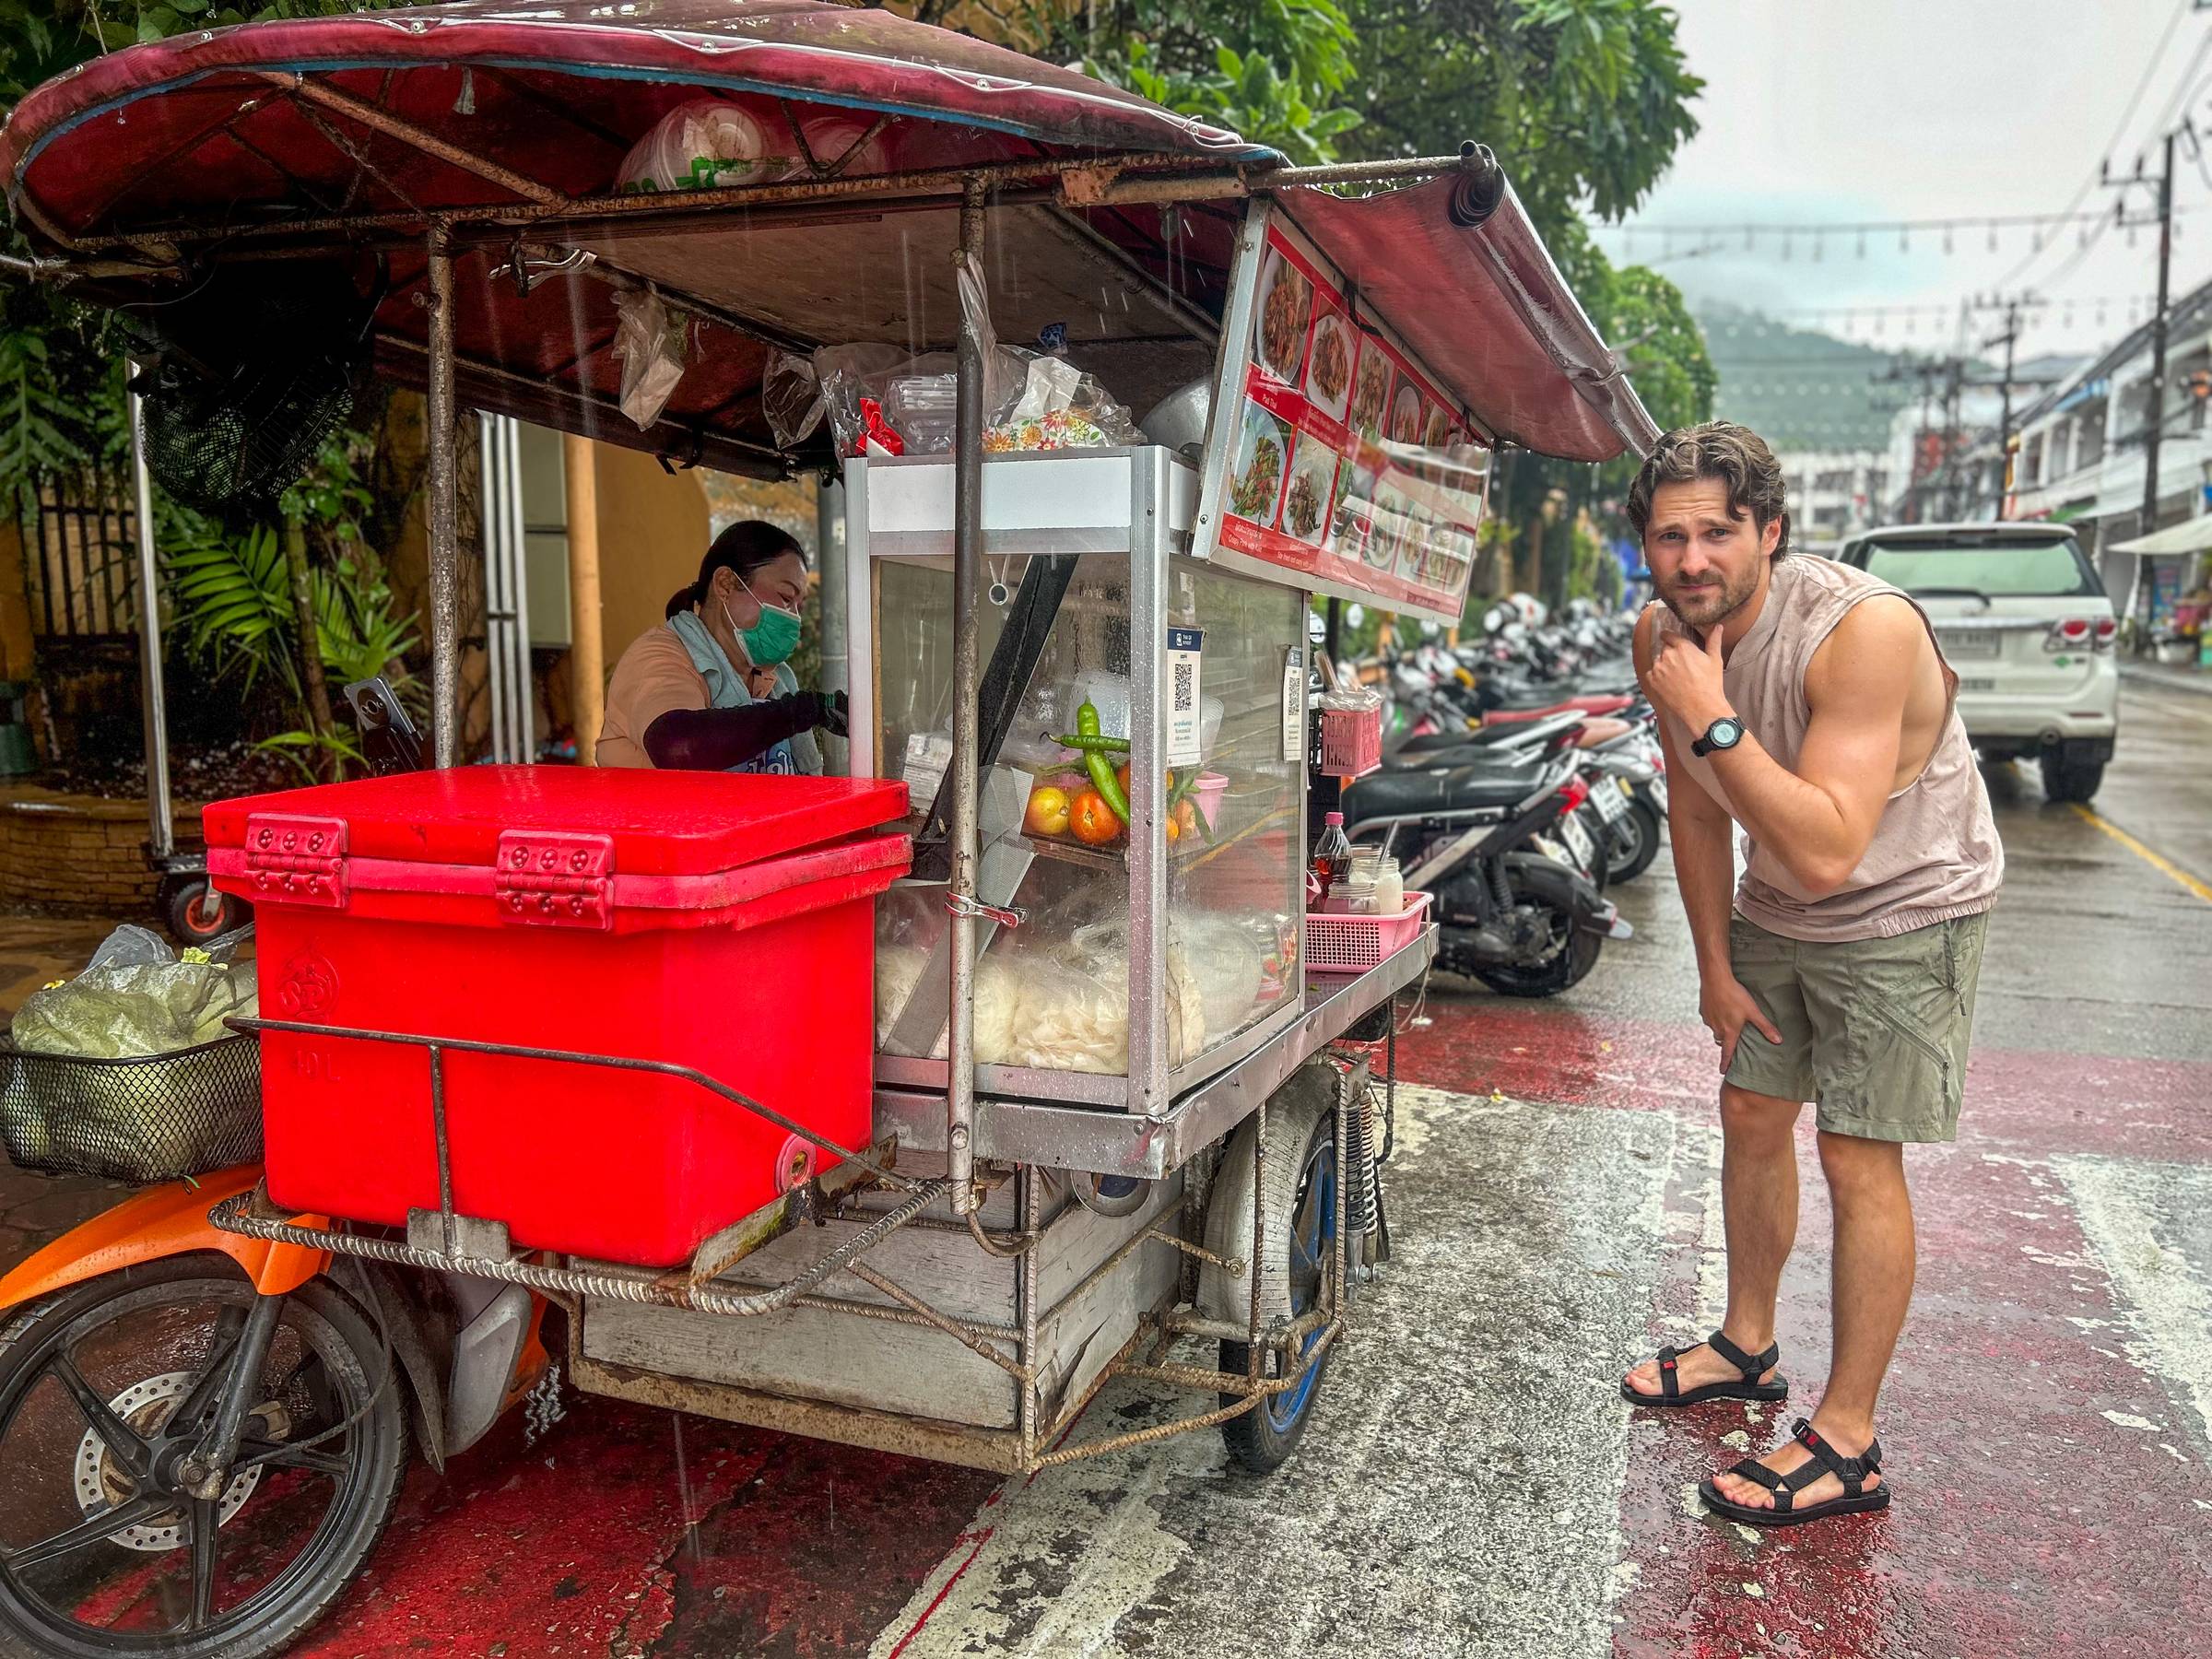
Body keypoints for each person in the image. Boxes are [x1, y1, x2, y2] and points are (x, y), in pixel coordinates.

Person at [1616, 422, 2003, 1529]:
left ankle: (1847, 1440)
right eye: (1669, 536)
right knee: (1749, 1109)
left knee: (1855, 1151)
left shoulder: (1860, 632)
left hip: (1902, 907)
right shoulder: (1667, 632)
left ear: (1770, 534)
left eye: (1719, 534)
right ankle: (1745, 1342)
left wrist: (1710, 711)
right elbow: (1696, 807)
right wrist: (1710, 965)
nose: (1693, 560)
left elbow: (1831, 844)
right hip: (1777, 909)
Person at [596, 521, 845, 772]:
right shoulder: (658, 656)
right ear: (725, 584)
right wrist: (797, 713)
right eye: (785, 598)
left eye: (798, 609)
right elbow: (678, 748)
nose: (793, 619)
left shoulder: (777, 679)